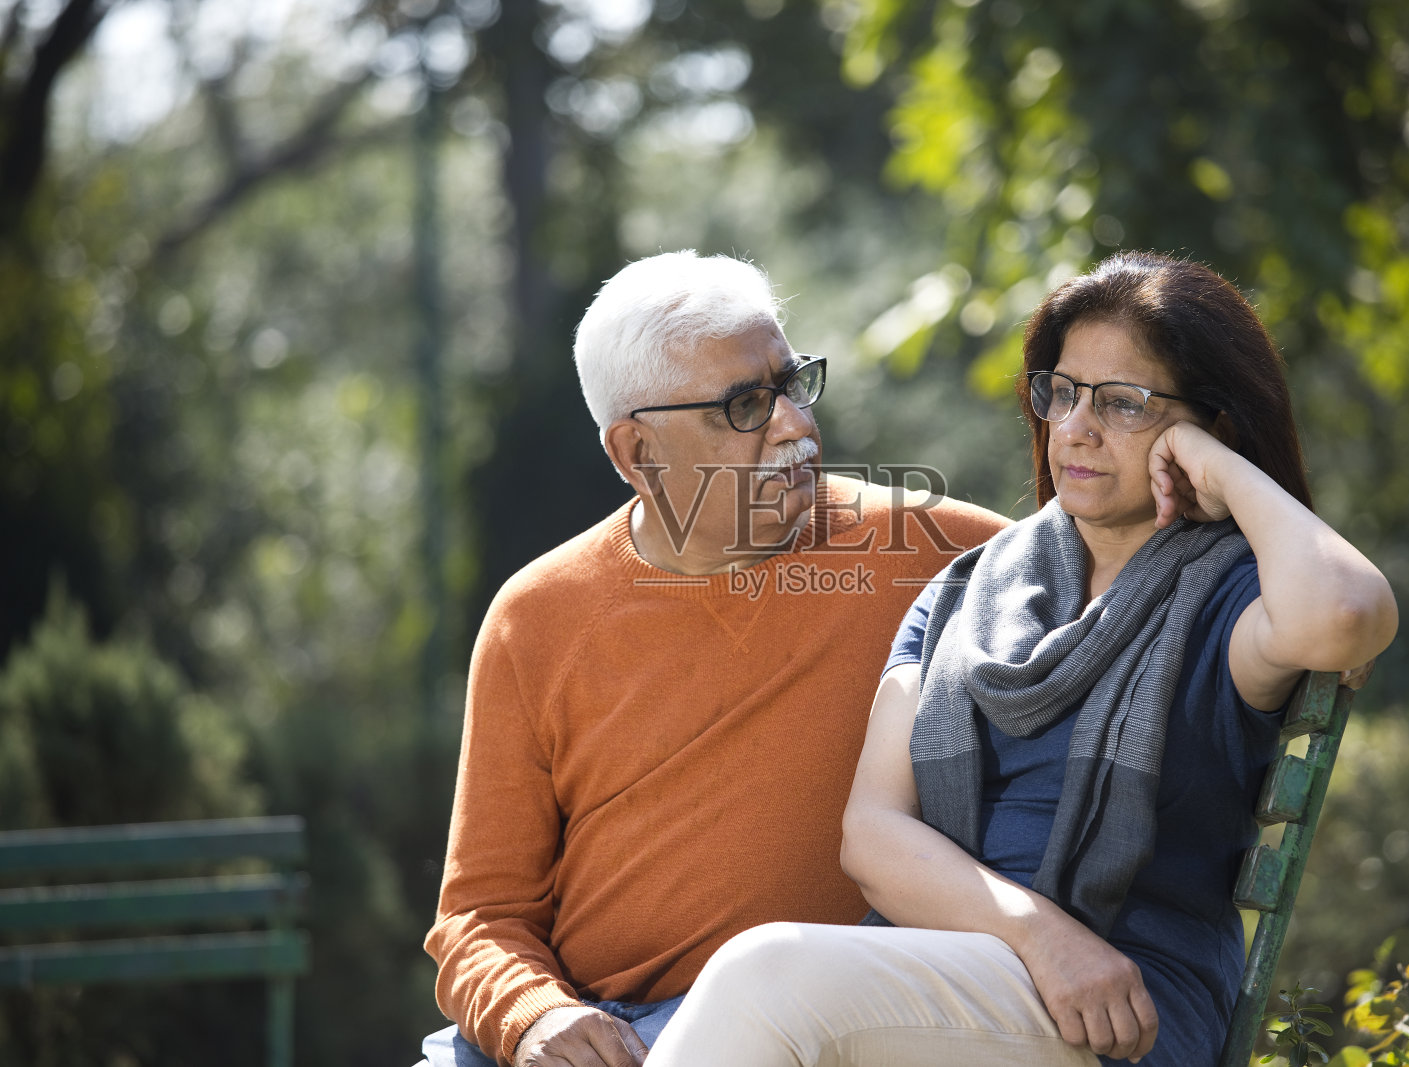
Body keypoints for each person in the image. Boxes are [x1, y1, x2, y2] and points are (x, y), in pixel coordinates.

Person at [646, 250, 1399, 1067]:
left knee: (766, 977)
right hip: (967, 977)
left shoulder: (1224, 600)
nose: (1075, 427)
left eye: (1123, 403)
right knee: (765, 985)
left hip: (1124, 1009)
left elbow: (1348, 611)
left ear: (1202, 425)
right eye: (1064, 392)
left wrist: (1218, 467)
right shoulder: (965, 594)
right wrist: (1044, 938)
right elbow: (873, 832)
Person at [415, 250, 1010, 1067]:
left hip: (802, 1030)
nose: (796, 423)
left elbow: (1124, 580)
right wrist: (532, 1016)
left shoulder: (940, 553)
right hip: (579, 1032)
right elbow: (480, 915)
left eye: (792, 383)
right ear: (636, 453)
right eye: (745, 406)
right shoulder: (535, 617)